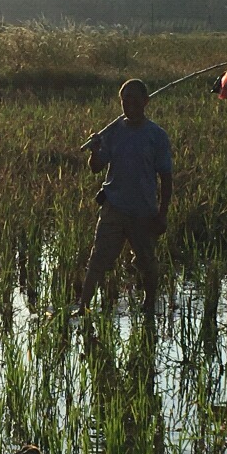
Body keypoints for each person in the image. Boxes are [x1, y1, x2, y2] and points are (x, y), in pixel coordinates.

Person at [73, 78, 173, 317]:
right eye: (125, 100)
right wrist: (95, 149)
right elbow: (96, 167)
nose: (129, 105)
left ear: (145, 102)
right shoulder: (113, 131)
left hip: (143, 211)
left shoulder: (157, 136)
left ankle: (149, 306)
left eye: (134, 100)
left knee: (147, 264)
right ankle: (83, 307)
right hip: (113, 208)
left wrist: (162, 214)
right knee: (97, 260)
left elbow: (166, 178)